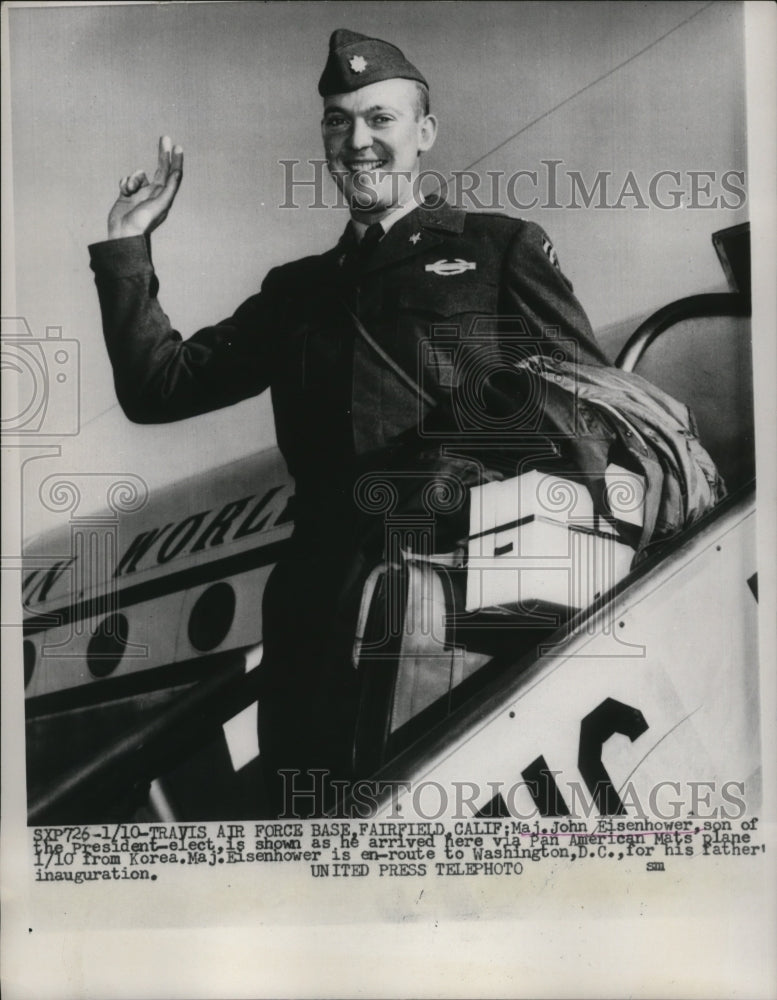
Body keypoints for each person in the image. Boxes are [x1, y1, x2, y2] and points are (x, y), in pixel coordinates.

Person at [89, 29, 718, 816]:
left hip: (463, 613)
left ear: (423, 134)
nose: (358, 141)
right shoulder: (296, 293)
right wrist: (126, 246)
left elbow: (590, 412)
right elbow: (159, 388)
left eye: (380, 119)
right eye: (338, 121)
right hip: (317, 622)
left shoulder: (495, 250)